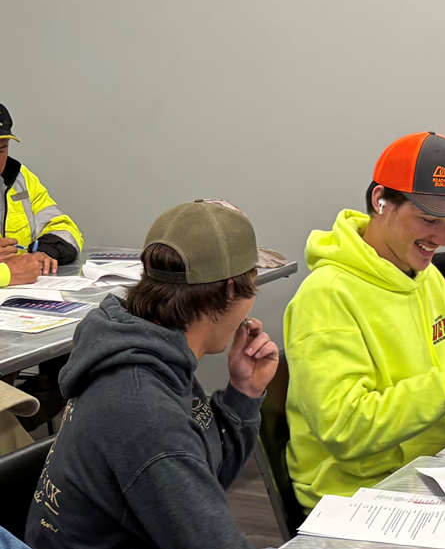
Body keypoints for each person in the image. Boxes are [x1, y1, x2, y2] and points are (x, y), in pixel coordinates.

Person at [284, 132, 445, 508]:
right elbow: (344, 427)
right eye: (428, 219)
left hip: (431, 472)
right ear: (381, 201)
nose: (441, 237)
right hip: (358, 496)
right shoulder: (327, 296)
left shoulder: (422, 277)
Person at [25, 200, 279, 549]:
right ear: (232, 288)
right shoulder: (145, 408)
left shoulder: (150, 348)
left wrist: (243, 393)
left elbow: (200, 478)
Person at [0, 103, 83, 284]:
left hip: (23, 301)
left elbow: (65, 229)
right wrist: (6, 274)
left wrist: (44, 252)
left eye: (1, 149)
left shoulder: (20, 179)